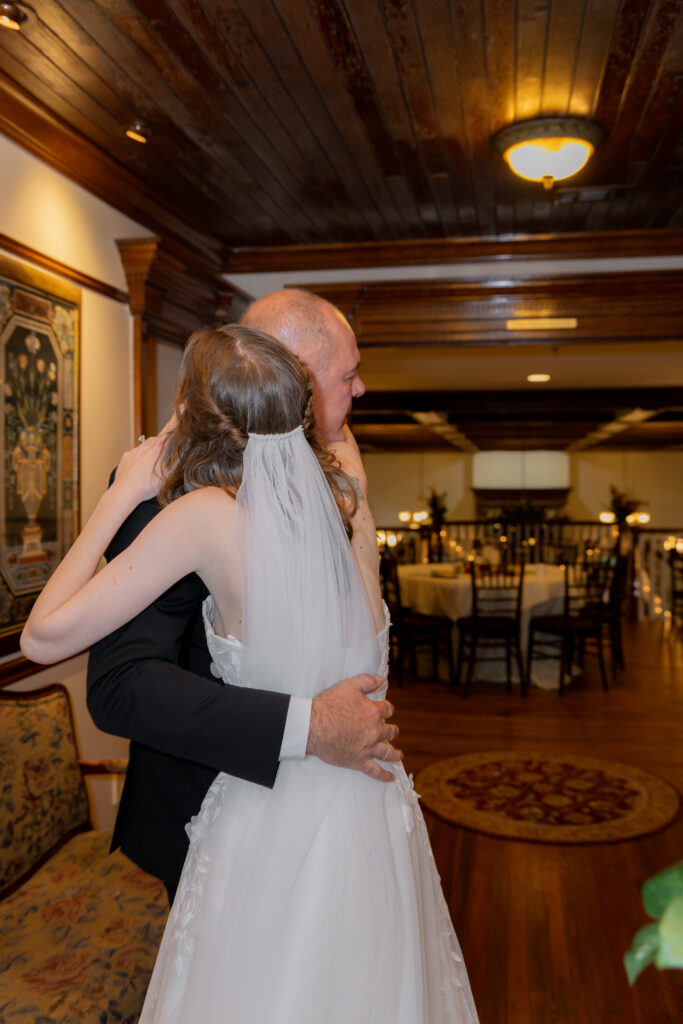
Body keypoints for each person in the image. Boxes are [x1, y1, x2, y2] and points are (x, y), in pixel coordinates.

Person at [22, 325, 479, 1023]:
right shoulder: (346, 505)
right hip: (371, 810)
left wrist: (122, 491)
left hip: (266, 823)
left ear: (196, 420)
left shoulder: (203, 516)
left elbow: (42, 635)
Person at [84, 289, 399, 901]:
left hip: (334, 818)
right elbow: (121, 685)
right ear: (291, 379)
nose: (360, 390)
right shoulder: (167, 490)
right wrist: (308, 728)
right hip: (213, 824)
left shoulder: (331, 474)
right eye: (349, 374)